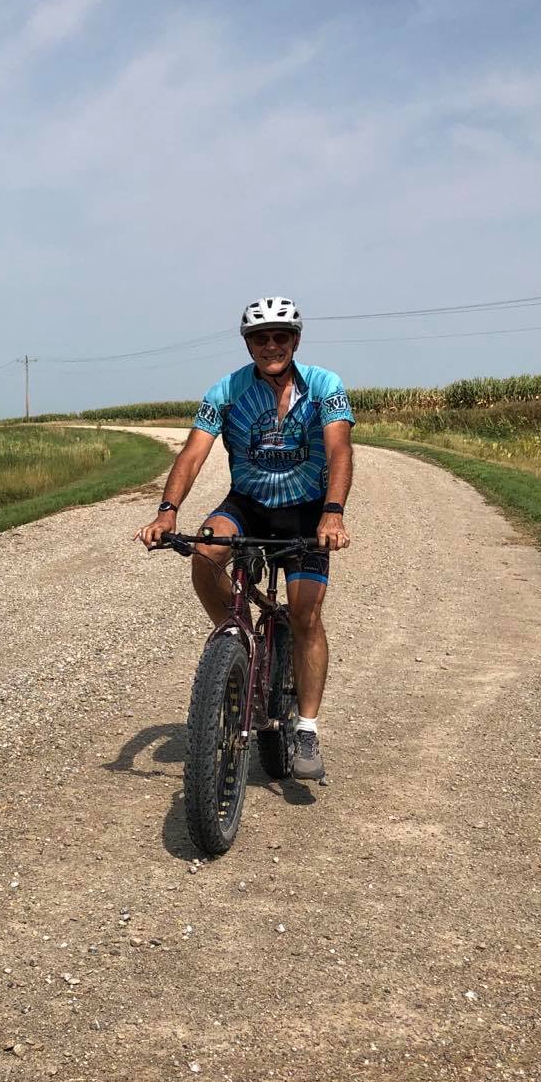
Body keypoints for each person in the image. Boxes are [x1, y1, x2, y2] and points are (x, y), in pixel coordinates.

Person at [137, 297, 354, 782]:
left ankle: (306, 728)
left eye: (281, 336)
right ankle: (237, 636)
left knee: (305, 614)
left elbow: (339, 449)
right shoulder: (228, 391)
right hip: (248, 503)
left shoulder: (324, 387)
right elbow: (193, 453)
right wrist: (167, 512)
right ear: (248, 344)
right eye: (261, 338)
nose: (271, 345)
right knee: (207, 548)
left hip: (305, 511)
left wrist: (333, 514)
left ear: (295, 341)